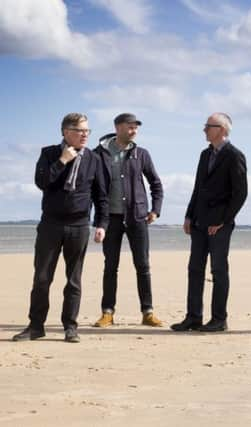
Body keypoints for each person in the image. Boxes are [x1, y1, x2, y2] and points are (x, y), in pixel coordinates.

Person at [13, 113, 108, 343]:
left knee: (74, 280)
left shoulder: (94, 159)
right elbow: (41, 182)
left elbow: (101, 195)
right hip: (50, 224)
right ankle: (36, 327)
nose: (85, 134)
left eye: (87, 130)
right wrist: (62, 160)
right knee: (42, 278)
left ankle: (70, 327)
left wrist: (102, 224)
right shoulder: (49, 153)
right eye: (80, 130)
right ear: (66, 132)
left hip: (79, 225)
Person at [171, 112, 247, 333]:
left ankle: (219, 319)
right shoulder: (205, 155)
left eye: (208, 126)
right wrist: (188, 215)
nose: (204, 130)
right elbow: (198, 188)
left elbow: (240, 193)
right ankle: (193, 317)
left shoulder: (235, 155)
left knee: (218, 270)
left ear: (222, 129)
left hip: (219, 223)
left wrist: (224, 220)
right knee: (195, 269)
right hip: (199, 221)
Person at [92, 113, 164, 328]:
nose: (133, 131)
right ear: (117, 127)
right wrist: (95, 221)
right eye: (129, 127)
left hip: (137, 217)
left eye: (135, 128)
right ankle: (107, 312)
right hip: (110, 219)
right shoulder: (98, 154)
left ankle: (148, 312)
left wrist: (156, 210)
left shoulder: (141, 154)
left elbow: (156, 184)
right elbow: (91, 188)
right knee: (110, 266)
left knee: (142, 266)